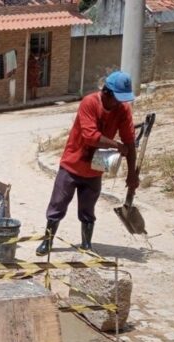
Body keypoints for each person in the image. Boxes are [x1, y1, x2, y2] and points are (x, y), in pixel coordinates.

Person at [36, 71, 140, 254]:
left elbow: (130, 143)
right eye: (117, 98)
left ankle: (86, 244)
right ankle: (47, 242)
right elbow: (91, 137)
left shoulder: (123, 110)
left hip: (95, 167)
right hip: (72, 164)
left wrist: (132, 175)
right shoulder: (89, 103)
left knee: (88, 208)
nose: (120, 103)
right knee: (58, 204)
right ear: (106, 93)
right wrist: (117, 145)